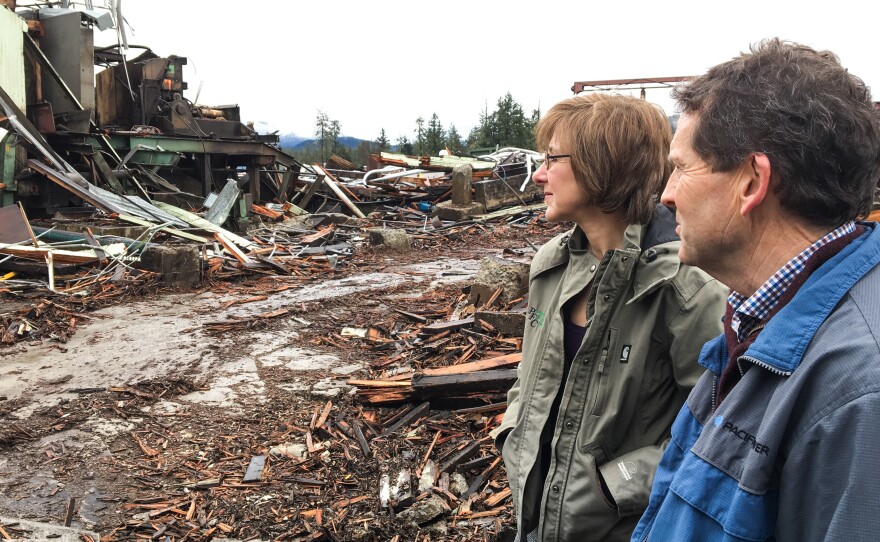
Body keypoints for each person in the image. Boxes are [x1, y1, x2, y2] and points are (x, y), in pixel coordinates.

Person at [632, 39, 880, 542]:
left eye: (681, 167)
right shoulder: (757, 319)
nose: (666, 194)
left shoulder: (859, 392)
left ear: (752, 182)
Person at [494, 93, 727, 542]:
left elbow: (717, 431)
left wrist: (614, 484)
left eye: (551, 159)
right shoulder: (550, 266)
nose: (539, 174)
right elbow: (529, 379)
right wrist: (513, 436)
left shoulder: (684, 289)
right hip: (538, 521)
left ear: (603, 164)